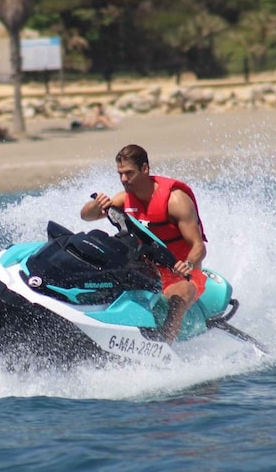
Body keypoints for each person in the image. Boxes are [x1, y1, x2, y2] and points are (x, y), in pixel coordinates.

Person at [80, 144, 207, 344]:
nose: (123, 179)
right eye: (120, 174)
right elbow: (87, 217)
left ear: (145, 169)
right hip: (146, 271)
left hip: (182, 274)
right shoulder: (124, 199)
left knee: (181, 292)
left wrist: (188, 265)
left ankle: (166, 345)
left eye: (129, 173)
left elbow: (198, 246)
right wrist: (97, 205)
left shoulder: (175, 201)